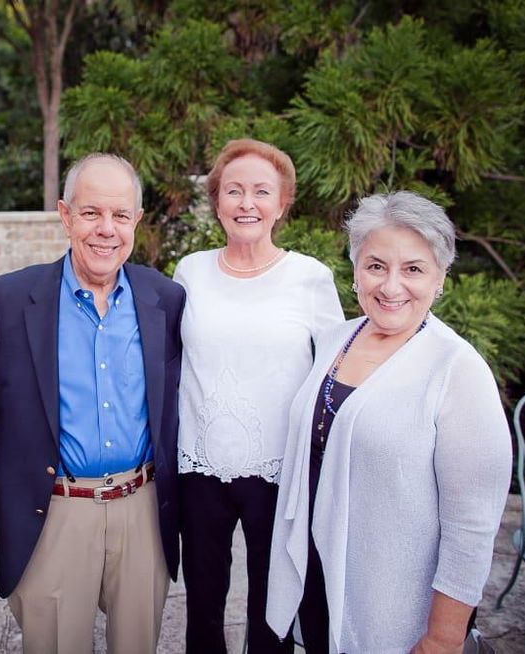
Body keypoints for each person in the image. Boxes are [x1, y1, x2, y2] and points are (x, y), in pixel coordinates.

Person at [266, 191, 512, 653]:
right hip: (319, 579)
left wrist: (442, 638)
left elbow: (472, 526)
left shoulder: (457, 369)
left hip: (393, 608)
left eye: (413, 269)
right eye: (376, 265)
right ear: (356, 269)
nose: (391, 286)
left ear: (440, 279)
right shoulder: (334, 341)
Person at [0, 153, 185, 654]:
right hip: (55, 512)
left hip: (141, 511)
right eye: (91, 212)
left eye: (120, 215)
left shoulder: (166, 299)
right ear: (65, 215)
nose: (106, 229)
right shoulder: (8, 300)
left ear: (136, 221)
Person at [174, 138, 344, 653]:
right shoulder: (190, 271)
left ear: (282, 203)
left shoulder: (310, 277)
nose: (247, 203)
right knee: (202, 600)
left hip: (280, 469)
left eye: (261, 192)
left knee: (274, 603)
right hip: (200, 467)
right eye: (234, 191)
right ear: (218, 201)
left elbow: (335, 374)